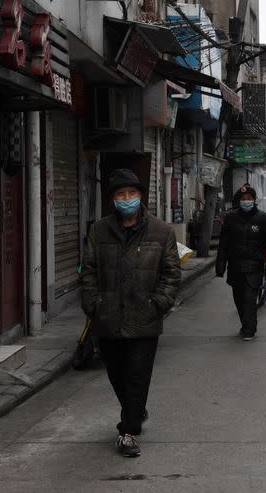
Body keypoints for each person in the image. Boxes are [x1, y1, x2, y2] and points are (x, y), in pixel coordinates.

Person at [81, 168, 181, 458]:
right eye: (121, 194)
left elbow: (171, 275)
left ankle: (128, 432)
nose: (127, 199)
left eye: (132, 193)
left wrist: (158, 303)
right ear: (113, 199)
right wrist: (93, 304)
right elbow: (87, 271)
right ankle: (135, 410)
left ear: (140, 196)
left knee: (138, 375)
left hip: (144, 319)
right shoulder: (99, 230)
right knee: (118, 376)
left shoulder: (162, 232)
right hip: (108, 318)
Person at [216, 185, 266, 341]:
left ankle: (249, 329)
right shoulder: (230, 219)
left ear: (254, 200)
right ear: (239, 201)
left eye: (249, 198)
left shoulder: (264, 219)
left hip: (254, 267)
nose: (246, 201)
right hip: (235, 267)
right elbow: (223, 244)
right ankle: (246, 325)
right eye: (243, 199)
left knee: (250, 299)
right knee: (239, 300)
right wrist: (220, 265)